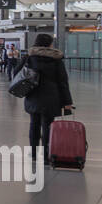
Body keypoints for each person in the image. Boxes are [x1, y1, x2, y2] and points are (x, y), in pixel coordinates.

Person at [19, 33, 74, 166]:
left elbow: (17, 73)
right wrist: (67, 102)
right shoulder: (56, 59)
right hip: (51, 98)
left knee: (34, 125)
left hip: (33, 96)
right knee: (48, 126)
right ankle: (46, 156)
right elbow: (63, 82)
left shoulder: (29, 57)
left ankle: (33, 154)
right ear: (49, 44)